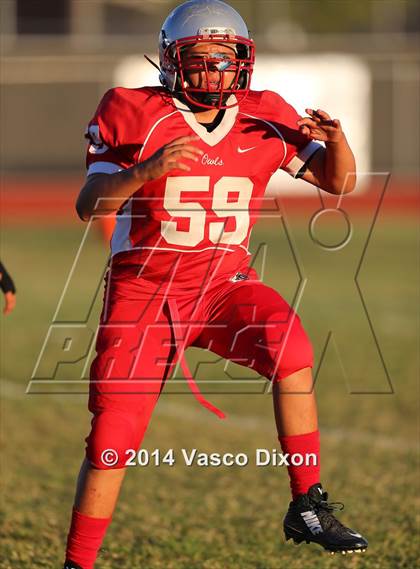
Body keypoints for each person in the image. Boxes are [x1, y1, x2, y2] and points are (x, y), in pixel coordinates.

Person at [63, 1, 367, 567]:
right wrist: (144, 172)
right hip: (144, 293)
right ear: (172, 62)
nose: (213, 72)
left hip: (224, 285)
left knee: (292, 347)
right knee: (110, 444)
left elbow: (337, 180)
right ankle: (76, 564)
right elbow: (88, 205)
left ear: (242, 63)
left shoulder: (263, 113)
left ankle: (307, 503)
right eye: (198, 60)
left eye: (224, 61)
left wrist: (338, 139)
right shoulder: (132, 109)